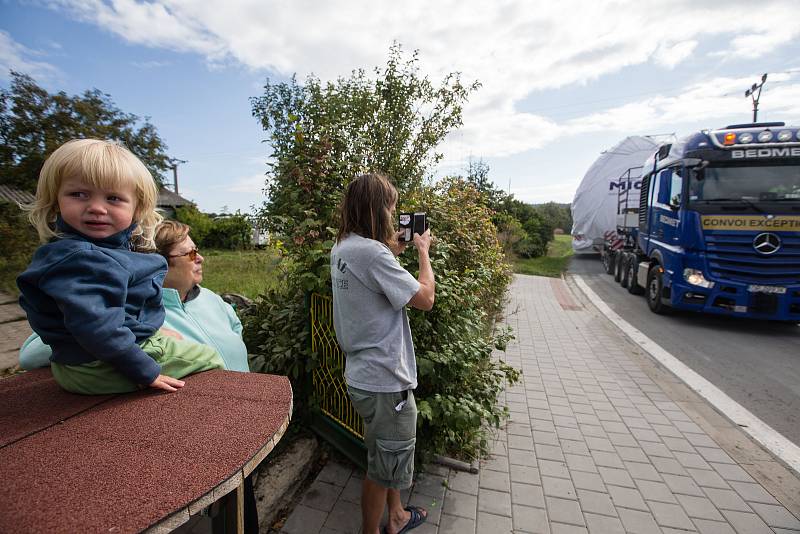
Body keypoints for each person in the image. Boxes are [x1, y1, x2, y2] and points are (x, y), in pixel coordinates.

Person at [17, 138, 224, 395]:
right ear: (55, 199)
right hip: (98, 367)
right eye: (78, 194)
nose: (96, 208)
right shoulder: (84, 259)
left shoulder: (86, 251)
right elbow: (97, 326)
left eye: (113, 198)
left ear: (136, 209)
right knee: (209, 357)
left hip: (83, 361)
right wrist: (145, 371)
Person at [330, 173, 434, 534]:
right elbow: (425, 299)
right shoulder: (373, 254)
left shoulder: (344, 246)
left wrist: (396, 251)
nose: (394, 213)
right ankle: (373, 531)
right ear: (379, 209)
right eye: (391, 206)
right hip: (386, 381)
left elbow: (373, 272)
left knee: (385, 453)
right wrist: (422, 252)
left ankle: (398, 514)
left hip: (361, 375)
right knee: (381, 467)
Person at [19, 220, 250, 373]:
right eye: (190, 253)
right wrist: (131, 333)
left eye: (197, 250)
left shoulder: (212, 300)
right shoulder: (127, 310)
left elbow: (236, 330)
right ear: (157, 263)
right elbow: (29, 356)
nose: (200, 258)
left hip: (250, 407)